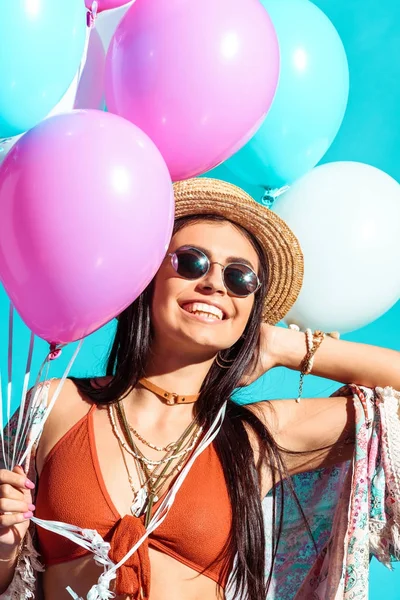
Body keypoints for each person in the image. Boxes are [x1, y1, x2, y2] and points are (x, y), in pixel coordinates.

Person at [0, 178, 399, 600]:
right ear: (147, 278)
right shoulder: (56, 404)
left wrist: (284, 345)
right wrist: (5, 551)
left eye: (241, 277)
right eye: (191, 262)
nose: (215, 284)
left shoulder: (256, 438)